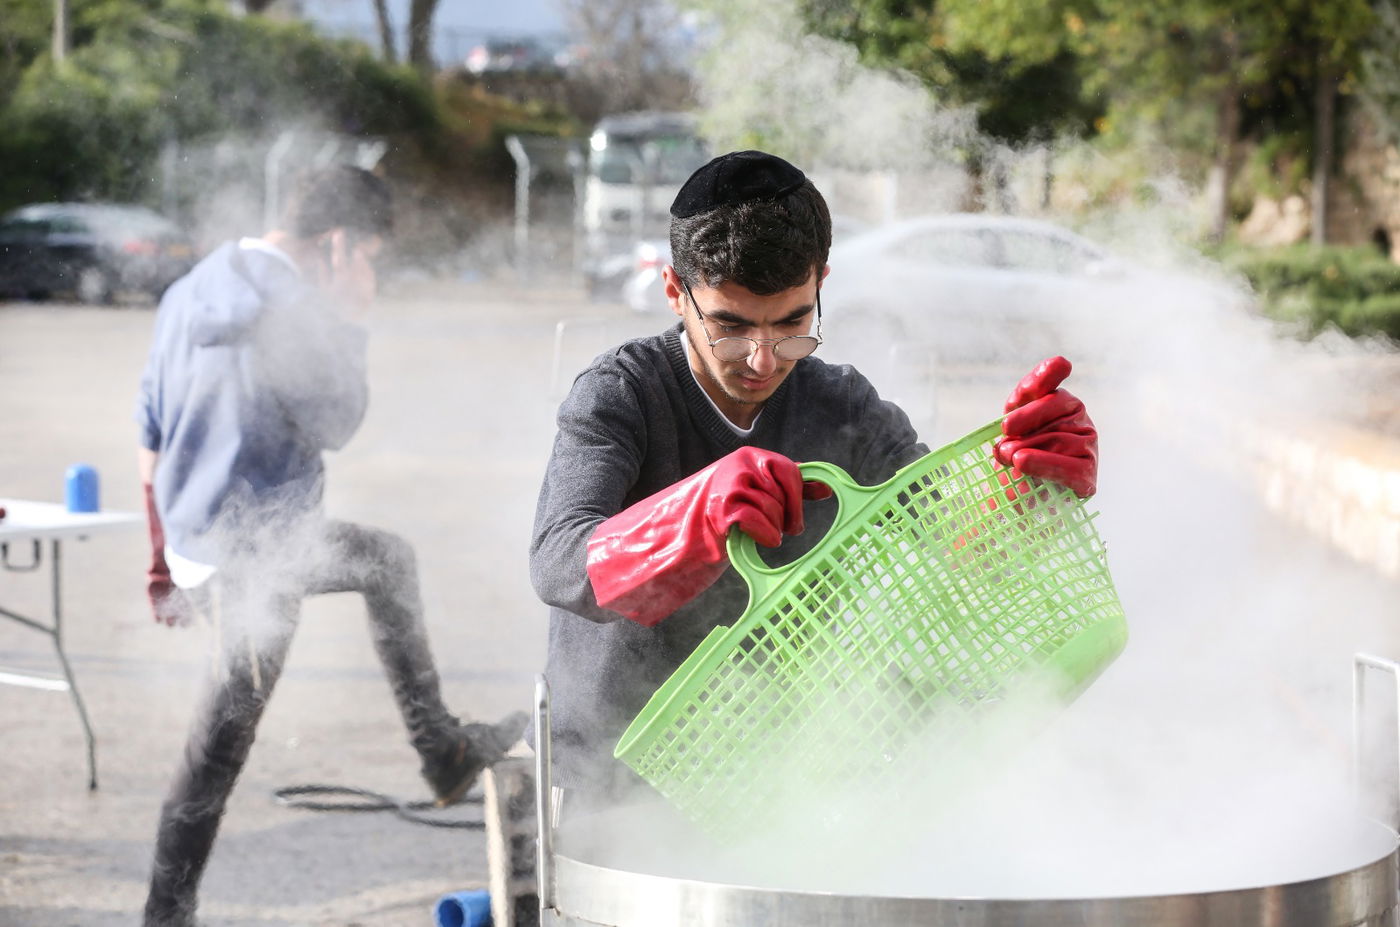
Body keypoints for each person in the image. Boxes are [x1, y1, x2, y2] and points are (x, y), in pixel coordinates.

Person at [529, 150, 1098, 806]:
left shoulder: (845, 407)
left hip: (789, 775)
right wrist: (695, 513)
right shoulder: (622, 394)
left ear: (821, 282)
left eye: (795, 323)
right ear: (674, 292)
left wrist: (1025, 486)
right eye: (730, 327)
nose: (763, 359)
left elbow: (951, 541)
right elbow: (558, 558)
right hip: (620, 779)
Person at [135, 165, 526, 927]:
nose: (371, 270)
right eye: (371, 255)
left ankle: (442, 749)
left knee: (386, 558)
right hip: (256, 560)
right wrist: (350, 319)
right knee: (214, 751)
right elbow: (338, 421)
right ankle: (162, 914)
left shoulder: (192, 286)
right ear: (339, 243)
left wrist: (160, 560)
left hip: (204, 540)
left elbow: (148, 433)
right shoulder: (298, 309)